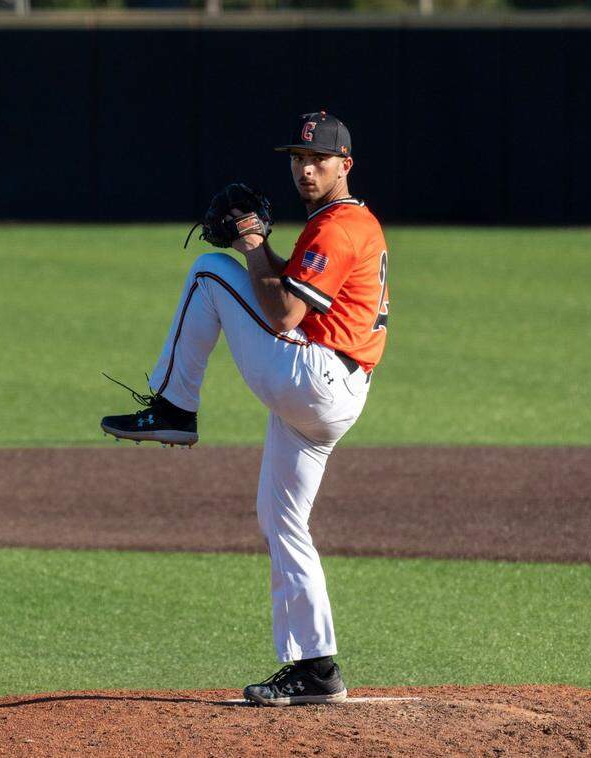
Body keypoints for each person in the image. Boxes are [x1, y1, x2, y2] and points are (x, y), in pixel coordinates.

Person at [101, 111, 390, 706]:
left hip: (313, 376)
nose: (306, 168)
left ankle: (175, 408)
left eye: (319, 159)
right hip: (333, 389)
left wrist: (252, 243)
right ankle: (315, 667)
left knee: (211, 272)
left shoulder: (339, 226)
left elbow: (283, 313)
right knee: (280, 518)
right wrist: (265, 250)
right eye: (298, 158)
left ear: (345, 165)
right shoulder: (339, 222)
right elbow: (288, 291)